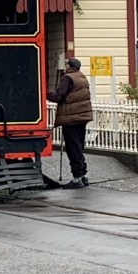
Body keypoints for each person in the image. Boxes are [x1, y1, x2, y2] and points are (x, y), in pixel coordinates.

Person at [47, 58, 93, 189]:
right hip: (81, 117)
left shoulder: (68, 78)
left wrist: (45, 91)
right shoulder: (81, 76)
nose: (65, 66)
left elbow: (58, 96)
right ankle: (83, 176)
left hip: (71, 118)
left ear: (69, 66)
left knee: (73, 148)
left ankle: (77, 178)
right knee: (79, 146)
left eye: (66, 64)